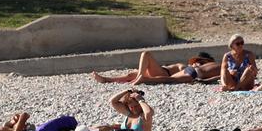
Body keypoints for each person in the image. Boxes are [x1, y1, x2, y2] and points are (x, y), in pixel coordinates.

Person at [92, 51, 220, 85]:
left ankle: (140, 77)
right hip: (161, 72)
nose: (194, 63)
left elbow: (177, 77)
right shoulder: (188, 67)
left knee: (145, 54)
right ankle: (107, 79)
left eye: (197, 62)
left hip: (164, 73)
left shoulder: (183, 66)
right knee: (131, 74)